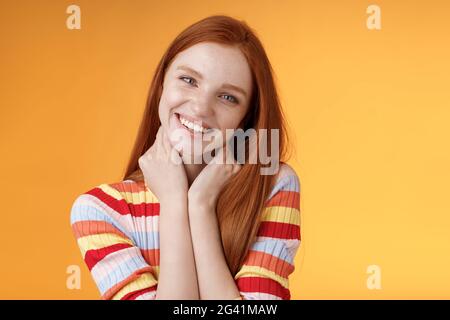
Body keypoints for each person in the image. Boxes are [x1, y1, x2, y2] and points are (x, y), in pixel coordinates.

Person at [70, 15, 302, 300]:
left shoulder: (273, 184)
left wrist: (201, 205)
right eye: (188, 80)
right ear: (161, 86)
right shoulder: (99, 211)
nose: (201, 107)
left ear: (246, 119)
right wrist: (174, 202)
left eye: (228, 97)